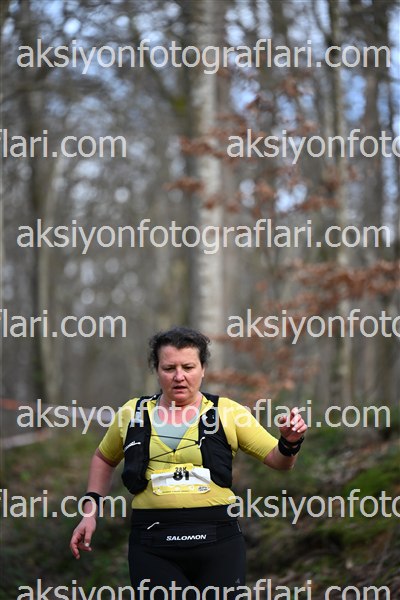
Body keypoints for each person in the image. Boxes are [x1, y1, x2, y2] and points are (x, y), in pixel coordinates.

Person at [70, 326, 307, 598]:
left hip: (218, 542)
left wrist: (290, 441)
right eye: (169, 368)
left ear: (203, 369)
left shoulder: (229, 412)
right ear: (157, 370)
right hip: (153, 544)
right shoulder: (132, 413)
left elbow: (279, 460)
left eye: (188, 367)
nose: (179, 376)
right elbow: (103, 458)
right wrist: (90, 513)